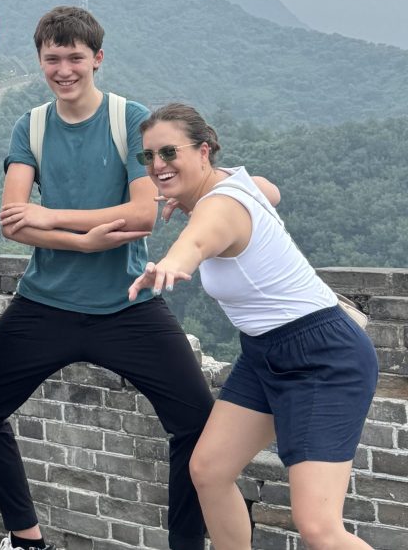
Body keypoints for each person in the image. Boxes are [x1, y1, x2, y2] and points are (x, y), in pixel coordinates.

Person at [0, 6, 282, 550]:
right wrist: (81, 239)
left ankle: (186, 541)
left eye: (75, 58)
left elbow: (143, 215)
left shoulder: (128, 120)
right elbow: (14, 222)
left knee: (196, 424)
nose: (64, 69)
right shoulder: (32, 125)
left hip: (127, 305)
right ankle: (26, 537)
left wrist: (53, 216)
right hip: (45, 303)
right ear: (40, 60)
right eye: (52, 59)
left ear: (97, 59)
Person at [128, 104, 379, 550]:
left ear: (203, 151)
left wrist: (170, 264)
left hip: (323, 357)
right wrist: (188, 197)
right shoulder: (232, 182)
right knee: (208, 470)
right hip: (265, 352)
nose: (158, 165)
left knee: (318, 526)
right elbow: (271, 190)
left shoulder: (220, 206)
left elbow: (201, 239)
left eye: (169, 152)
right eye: (149, 157)